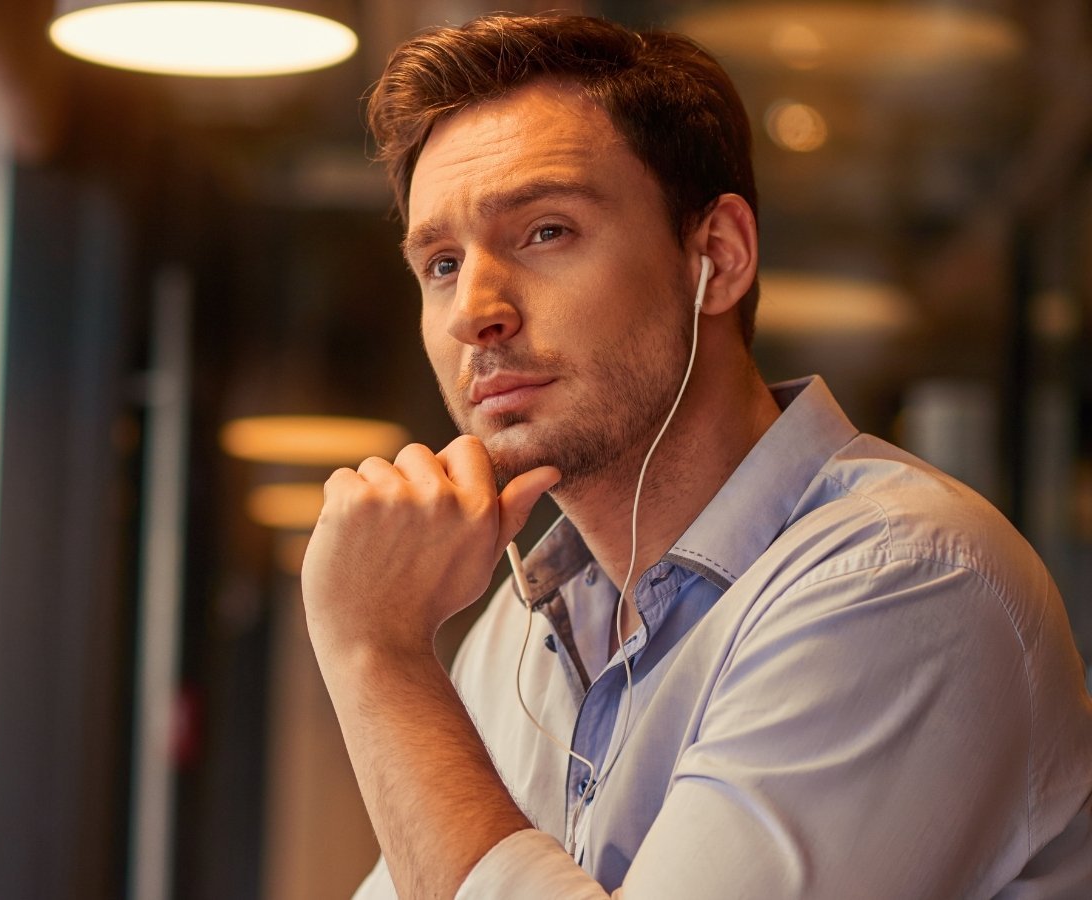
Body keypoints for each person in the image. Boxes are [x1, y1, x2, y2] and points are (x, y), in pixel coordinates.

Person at [299, 12, 1092, 899]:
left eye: (545, 231)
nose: (472, 312)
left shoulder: (905, 578)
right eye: (441, 263)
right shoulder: (519, 634)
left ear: (717, 254)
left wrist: (376, 655)